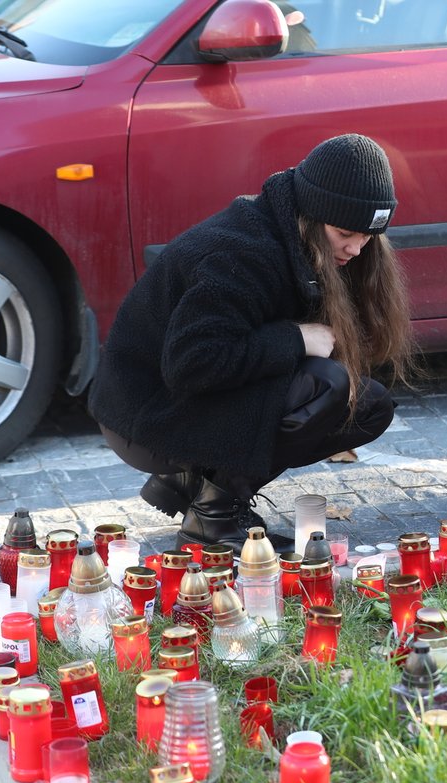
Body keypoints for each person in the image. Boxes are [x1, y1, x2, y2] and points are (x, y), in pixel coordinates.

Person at [88, 134, 415, 553]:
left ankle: (197, 485)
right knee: (326, 385)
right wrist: (296, 338)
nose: (356, 248)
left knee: (369, 406)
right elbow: (194, 362)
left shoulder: (301, 239)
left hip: (186, 403)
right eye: (345, 232)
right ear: (311, 216)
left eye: (369, 236)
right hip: (145, 417)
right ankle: (213, 515)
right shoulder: (241, 253)